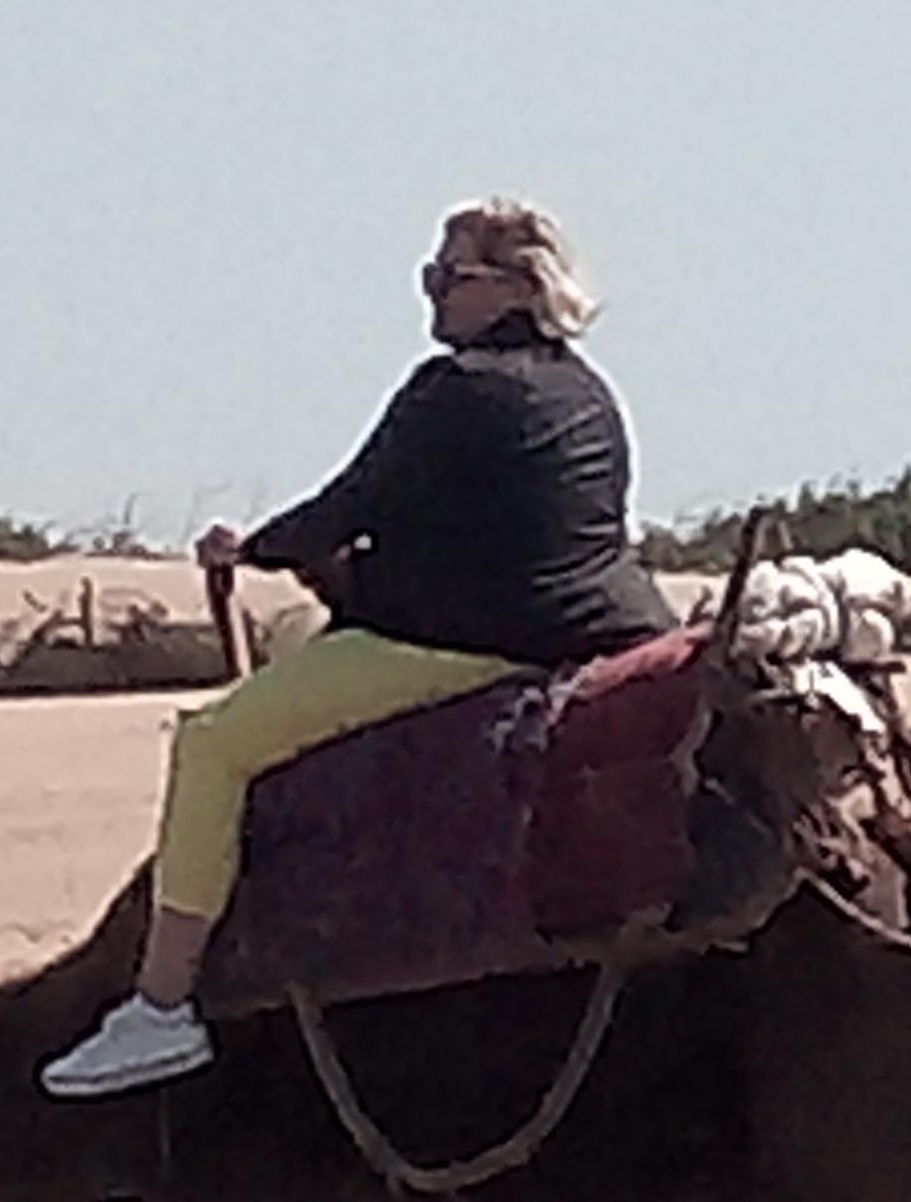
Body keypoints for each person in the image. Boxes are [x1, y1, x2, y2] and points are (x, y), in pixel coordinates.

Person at [41, 198, 678, 1096]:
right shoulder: (588, 394)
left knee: (214, 742)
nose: (432, 296)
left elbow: (348, 507)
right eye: (431, 276)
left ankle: (160, 1007)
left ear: (513, 288)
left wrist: (250, 549)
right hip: (587, 634)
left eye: (448, 277)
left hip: (464, 645)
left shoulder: (455, 388)